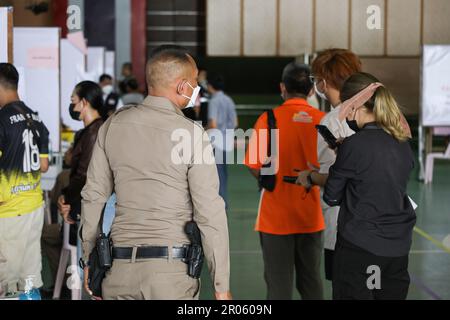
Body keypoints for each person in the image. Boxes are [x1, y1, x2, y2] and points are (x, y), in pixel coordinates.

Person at [80, 45, 231, 301]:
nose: (197, 88)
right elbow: (209, 212)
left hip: (117, 272)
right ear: (183, 86)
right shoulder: (192, 135)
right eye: (194, 82)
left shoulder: (112, 126)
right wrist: (221, 286)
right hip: (170, 277)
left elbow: (93, 197)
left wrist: (89, 261)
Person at [323, 72, 416, 300]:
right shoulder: (402, 142)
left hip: (359, 248)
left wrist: (344, 155)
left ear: (355, 106)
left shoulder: (354, 145)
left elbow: (332, 196)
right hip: (397, 250)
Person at [244, 62, 325, 300]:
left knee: (278, 286)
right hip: (311, 216)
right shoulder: (324, 120)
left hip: (275, 217)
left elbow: (253, 165)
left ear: (282, 87)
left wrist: (272, 179)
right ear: (311, 91)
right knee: (311, 282)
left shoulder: (268, 119)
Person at [296, 49, 362, 281]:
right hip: (381, 225)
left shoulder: (332, 121)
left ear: (323, 82)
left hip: (343, 225)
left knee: (345, 289)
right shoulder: (376, 112)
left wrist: (310, 177)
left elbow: (333, 177)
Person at [0, 63, 50, 295]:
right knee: (30, 276)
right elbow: (43, 165)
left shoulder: (2, 119)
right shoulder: (36, 117)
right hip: (34, 206)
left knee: (8, 283)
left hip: (9, 210)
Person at [57, 81, 105, 248]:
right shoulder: (90, 131)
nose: (71, 106)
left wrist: (67, 199)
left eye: (73, 101)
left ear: (84, 102)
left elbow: (84, 174)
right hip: (82, 201)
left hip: (86, 205)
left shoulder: (94, 133)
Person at [207, 73, 238, 209]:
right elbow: (235, 122)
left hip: (216, 143)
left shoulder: (213, 101)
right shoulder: (228, 100)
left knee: (216, 176)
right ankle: (223, 202)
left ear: (210, 86)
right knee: (223, 175)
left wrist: (202, 128)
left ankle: (220, 204)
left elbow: (212, 124)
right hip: (227, 143)